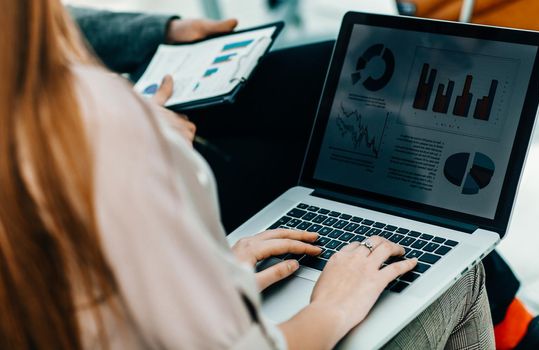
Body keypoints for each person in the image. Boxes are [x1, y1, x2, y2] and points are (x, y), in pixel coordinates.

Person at [0, 1, 495, 349]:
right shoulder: (100, 127)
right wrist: (332, 307)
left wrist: (209, 279)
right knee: (456, 278)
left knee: (332, 88)